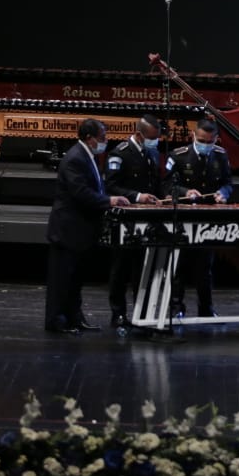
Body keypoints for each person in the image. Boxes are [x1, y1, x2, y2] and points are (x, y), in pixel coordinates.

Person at [44, 119, 130, 334]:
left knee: (75, 280)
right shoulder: (75, 158)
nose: (105, 141)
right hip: (67, 230)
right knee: (62, 280)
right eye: (102, 137)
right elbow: (81, 193)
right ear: (89, 138)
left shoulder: (87, 156)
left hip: (80, 231)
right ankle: (56, 321)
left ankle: (74, 318)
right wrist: (109, 201)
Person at [163, 118, 235, 319]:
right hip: (183, 217)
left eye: (209, 141)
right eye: (201, 140)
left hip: (207, 218)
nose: (205, 144)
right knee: (179, 265)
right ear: (194, 135)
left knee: (205, 267)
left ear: (216, 139)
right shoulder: (178, 156)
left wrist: (223, 193)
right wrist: (185, 192)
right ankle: (176, 307)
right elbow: (167, 185)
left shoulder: (221, 155)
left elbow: (228, 183)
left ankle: (206, 309)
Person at [104, 114, 165, 329]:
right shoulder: (119, 153)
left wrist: (163, 197)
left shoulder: (153, 153)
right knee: (121, 268)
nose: (155, 141)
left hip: (148, 220)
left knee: (144, 269)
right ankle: (118, 313)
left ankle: (144, 313)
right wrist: (138, 196)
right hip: (125, 221)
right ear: (139, 135)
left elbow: (155, 183)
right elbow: (111, 187)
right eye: (152, 138)